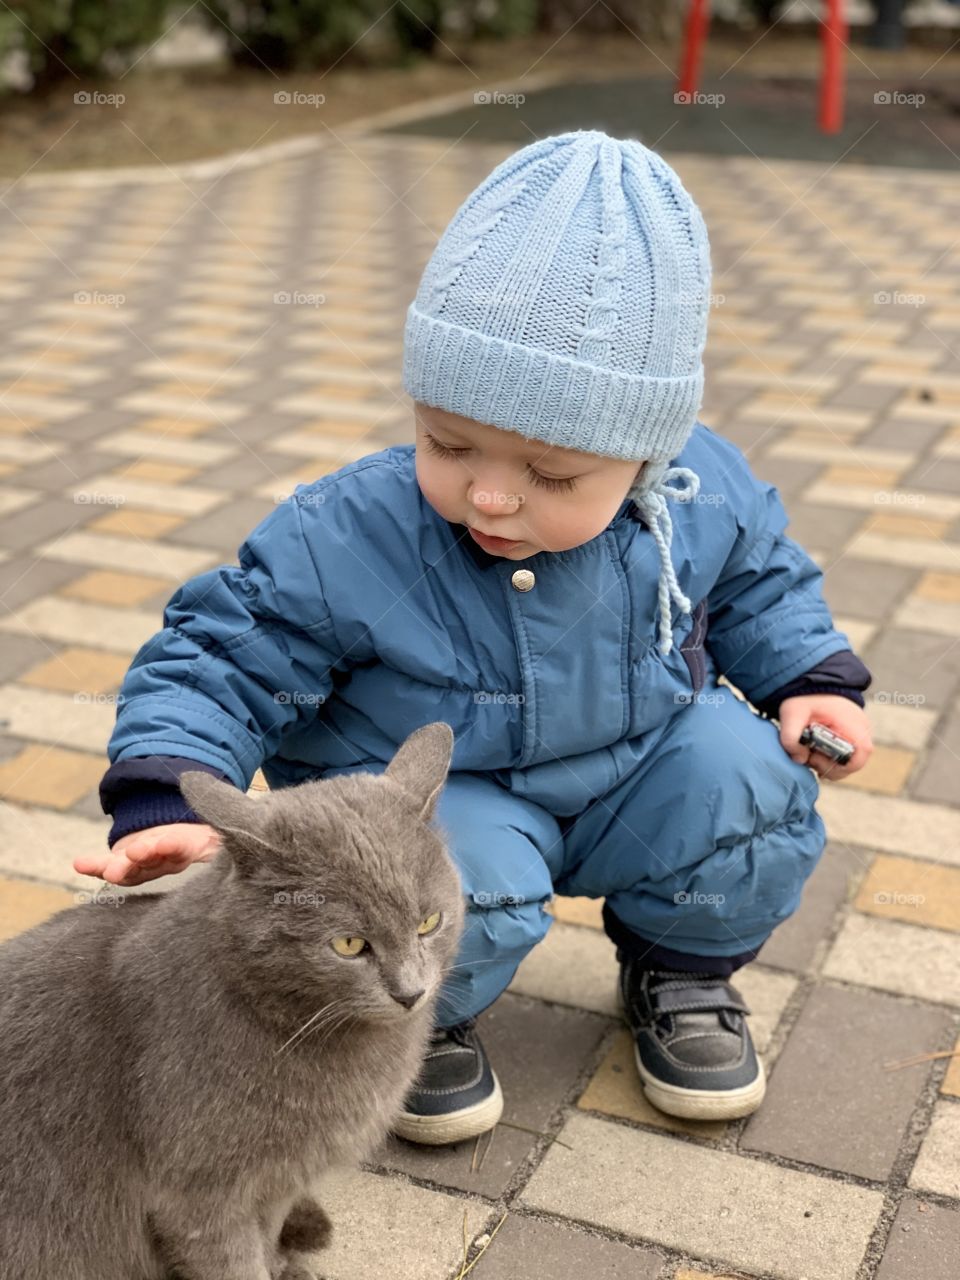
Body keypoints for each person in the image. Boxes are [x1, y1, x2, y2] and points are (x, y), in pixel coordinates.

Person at [77, 130, 873, 1142]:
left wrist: (812, 678)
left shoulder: (698, 489)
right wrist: (168, 786)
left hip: (636, 769)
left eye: (552, 474)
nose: (491, 493)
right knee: (438, 878)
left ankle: (682, 968)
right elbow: (221, 653)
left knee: (747, 782)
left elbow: (766, 584)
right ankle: (413, 1017)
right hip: (451, 792)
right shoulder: (349, 530)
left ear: (644, 455)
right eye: (449, 445)